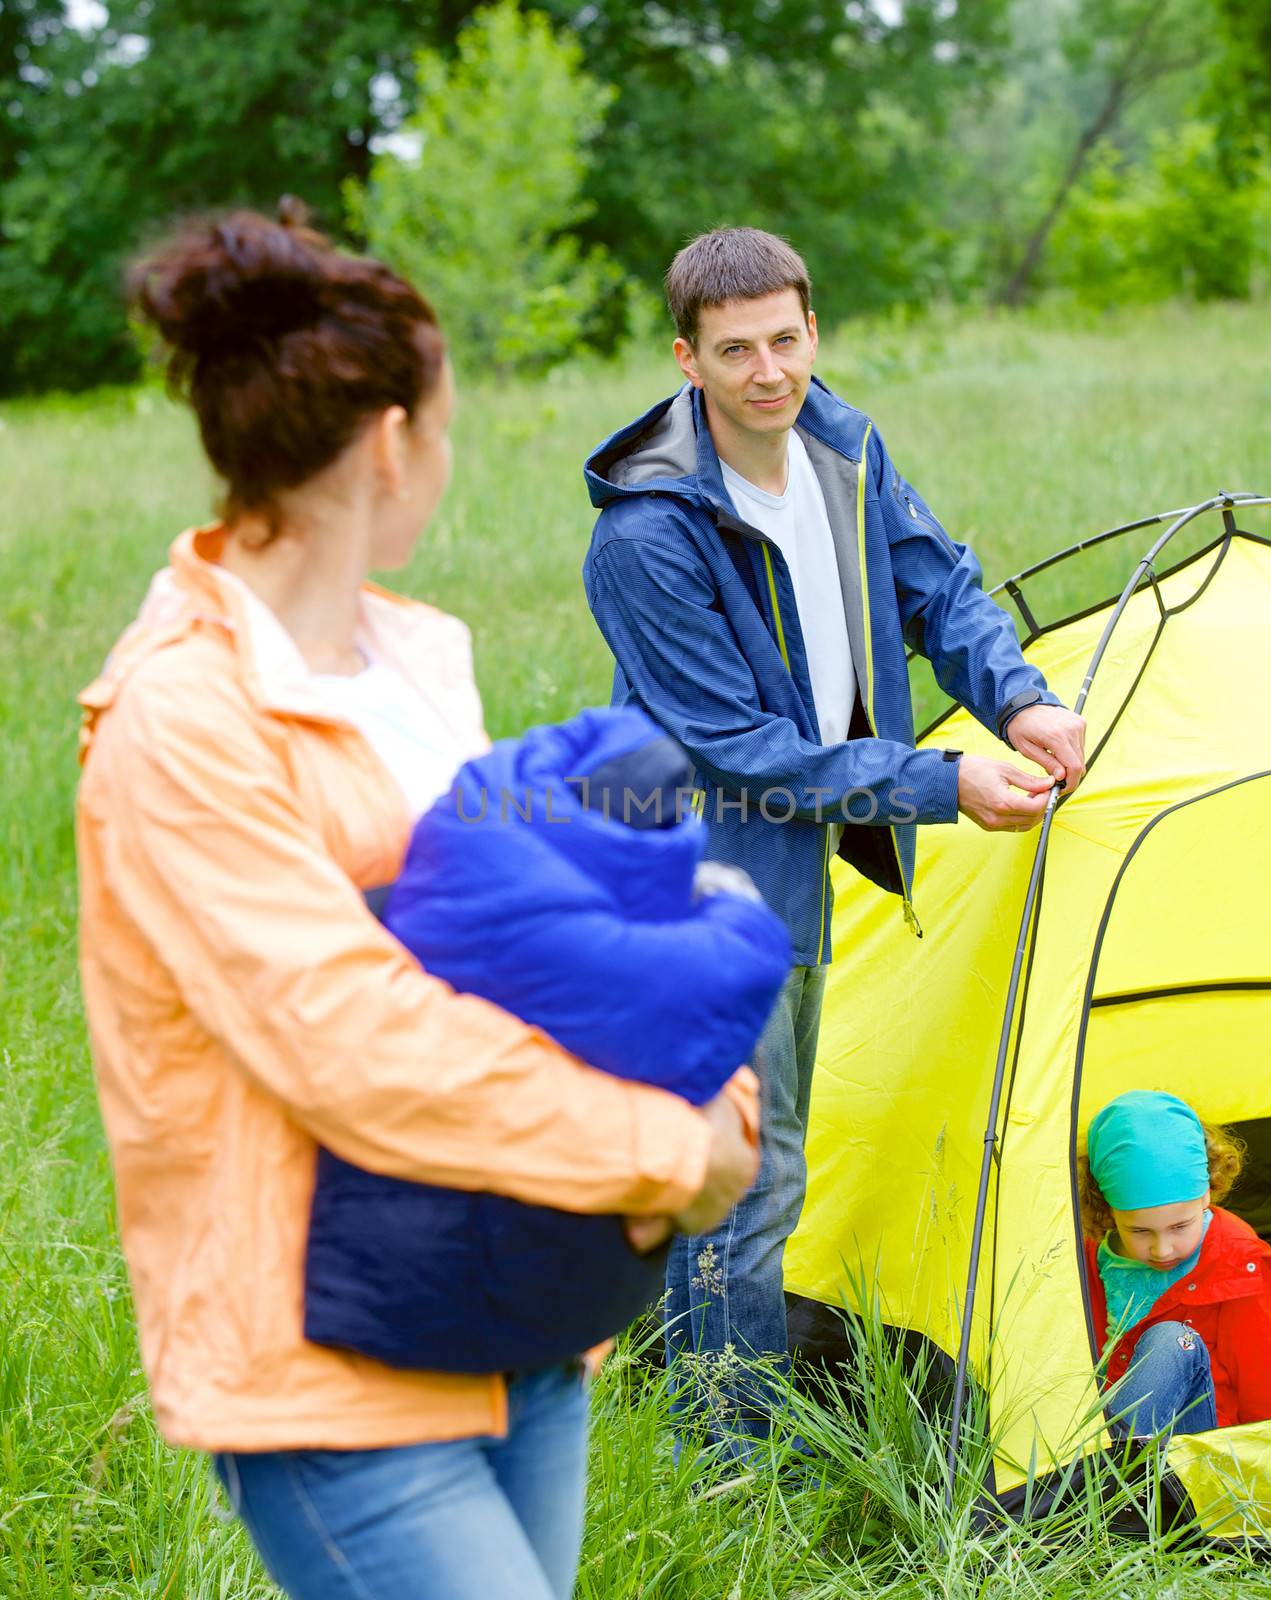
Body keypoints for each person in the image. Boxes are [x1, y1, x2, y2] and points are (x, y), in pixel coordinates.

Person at [75, 203, 758, 1600]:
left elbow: (538, 941)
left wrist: (713, 1084)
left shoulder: (412, 659)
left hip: (515, 1297)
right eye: (443, 427)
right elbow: (348, 1034)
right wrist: (663, 1149)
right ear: (393, 440)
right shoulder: (180, 721)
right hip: (329, 1361)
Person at [581, 226, 1087, 1447]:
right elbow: (742, 748)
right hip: (697, 876)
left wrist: (1018, 695)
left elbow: (938, 585)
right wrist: (940, 779)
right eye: (736, 349)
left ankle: (675, 1400)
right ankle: (730, 1461)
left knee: (750, 1163)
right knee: (745, 1179)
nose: (769, 370)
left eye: (786, 338)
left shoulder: (839, 446)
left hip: (787, 867)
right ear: (685, 360)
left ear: (814, 329)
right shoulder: (646, 535)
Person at [305, 704, 792, 1375]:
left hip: (376, 1272)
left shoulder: (462, 840)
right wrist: (722, 897)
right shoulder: (660, 957)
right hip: (546, 1290)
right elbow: (751, 952)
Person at [1080, 1090, 1271, 1435]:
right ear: (1107, 1207)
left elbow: (1264, 1380)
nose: (1163, 1249)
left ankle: (1116, 1472)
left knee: (1171, 1340)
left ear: (1206, 1193)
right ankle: (1110, 1464)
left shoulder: (1240, 1263)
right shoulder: (1093, 1256)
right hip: (1106, 1420)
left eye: (1180, 1227)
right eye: (1139, 1231)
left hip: (1203, 1438)